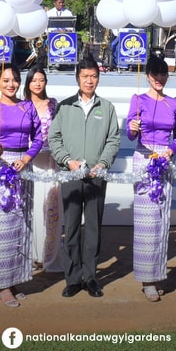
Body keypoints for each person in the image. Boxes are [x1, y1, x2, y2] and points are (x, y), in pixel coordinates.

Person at [48, 57, 121, 298]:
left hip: (96, 176)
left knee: (93, 228)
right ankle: (72, 278)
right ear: (77, 78)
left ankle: (90, 277)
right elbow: (54, 138)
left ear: (98, 78)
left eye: (93, 76)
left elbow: (113, 139)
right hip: (70, 174)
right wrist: (67, 161)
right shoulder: (65, 107)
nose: (89, 80)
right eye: (85, 76)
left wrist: (103, 163)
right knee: (71, 227)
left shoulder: (107, 108)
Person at [0, 65, 42, 308]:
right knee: (1, 229)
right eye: (6, 80)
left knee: (20, 226)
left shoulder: (28, 107)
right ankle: (2, 285)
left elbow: (38, 138)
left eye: (15, 80)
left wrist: (26, 158)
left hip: (23, 167)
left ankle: (15, 279)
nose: (11, 84)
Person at [126, 52, 176, 301]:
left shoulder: (173, 103)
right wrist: (132, 127)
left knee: (161, 219)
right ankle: (146, 279)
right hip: (143, 158)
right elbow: (130, 135)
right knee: (145, 222)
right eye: (155, 73)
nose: (159, 78)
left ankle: (158, 273)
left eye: (163, 73)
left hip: (164, 160)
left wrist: (171, 150)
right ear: (148, 76)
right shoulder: (138, 100)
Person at [23, 67, 63, 273]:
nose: (38, 84)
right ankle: (32, 254)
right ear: (28, 83)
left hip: (50, 163)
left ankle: (48, 254)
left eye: (41, 80)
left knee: (50, 207)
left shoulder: (54, 105)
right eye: (34, 80)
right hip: (29, 163)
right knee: (32, 208)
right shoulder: (21, 105)